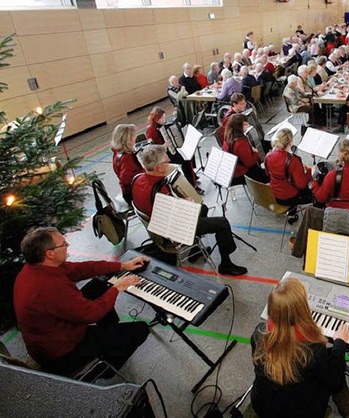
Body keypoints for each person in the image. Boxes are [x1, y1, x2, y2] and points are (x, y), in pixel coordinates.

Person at [13, 227, 150, 376]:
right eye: (63, 244)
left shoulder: (38, 267)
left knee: (99, 285)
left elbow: (80, 269)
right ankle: (103, 371)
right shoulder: (48, 286)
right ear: (50, 254)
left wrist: (122, 265)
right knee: (140, 329)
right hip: (62, 352)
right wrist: (118, 288)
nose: (68, 246)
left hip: (57, 330)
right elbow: (91, 314)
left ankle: (110, 335)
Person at [251, 277, 349, 418]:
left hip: (262, 404)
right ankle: (346, 403)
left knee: (326, 362)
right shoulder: (312, 352)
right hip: (301, 412)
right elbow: (334, 382)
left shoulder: (259, 333)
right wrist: (339, 341)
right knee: (334, 363)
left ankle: (345, 402)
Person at [132, 145, 247, 276]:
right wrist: (186, 205)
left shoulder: (137, 179)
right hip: (170, 233)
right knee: (222, 223)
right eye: (167, 161)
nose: (169, 162)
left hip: (156, 227)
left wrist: (181, 204)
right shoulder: (161, 191)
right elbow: (177, 218)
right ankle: (226, 265)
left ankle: (196, 249)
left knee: (202, 208)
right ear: (159, 168)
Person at [145, 106, 200, 192]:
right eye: (162, 118)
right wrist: (163, 146)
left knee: (189, 155)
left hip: (170, 151)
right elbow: (151, 149)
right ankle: (192, 185)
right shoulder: (151, 131)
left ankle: (193, 177)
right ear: (156, 118)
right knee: (185, 160)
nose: (164, 120)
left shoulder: (162, 125)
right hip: (162, 156)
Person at [264, 128, 313, 206]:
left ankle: (291, 213)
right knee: (315, 194)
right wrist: (309, 171)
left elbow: (267, 173)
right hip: (288, 196)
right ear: (290, 143)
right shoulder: (293, 161)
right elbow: (301, 184)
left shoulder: (268, 155)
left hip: (273, 193)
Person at [223, 113, 269, 184]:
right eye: (245, 124)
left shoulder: (228, 136)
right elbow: (250, 163)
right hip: (242, 174)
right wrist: (256, 153)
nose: (247, 126)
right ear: (238, 127)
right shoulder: (241, 143)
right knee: (271, 176)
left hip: (233, 170)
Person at [111, 124, 144, 204]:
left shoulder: (117, 152)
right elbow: (127, 180)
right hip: (133, 194)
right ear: (127, 139)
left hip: (131, 191)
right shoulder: (127, 158)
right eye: (133, 136)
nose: (135, 139)